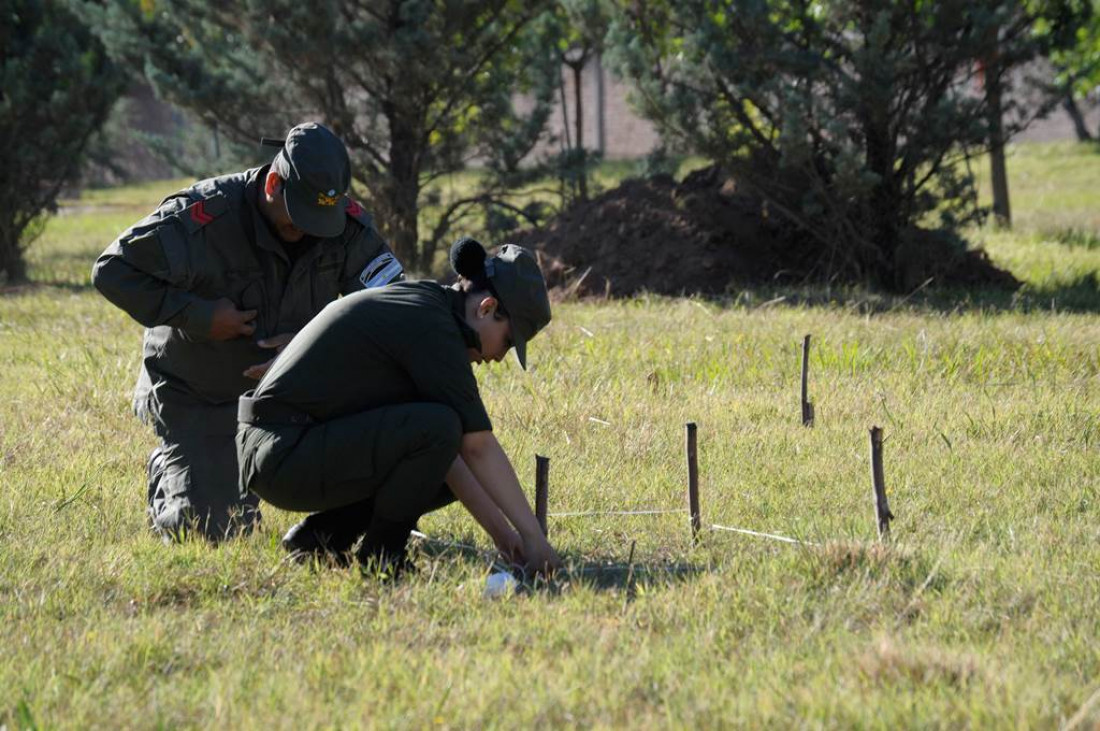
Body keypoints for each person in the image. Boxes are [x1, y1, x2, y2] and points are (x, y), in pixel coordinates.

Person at [93, 122, 404, 543]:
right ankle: (174, 471)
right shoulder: (206, 215)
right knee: (212, 532)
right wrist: (199, 315)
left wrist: (312, 343)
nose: (310, 230)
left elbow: (393, 308)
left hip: (295, 394)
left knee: (400, 420)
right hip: (201, 394)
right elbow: (113, 270)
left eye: (321, 219)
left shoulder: (338, 220)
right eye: (299, 220)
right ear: (274, 182)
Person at [236, 238, 561, 575]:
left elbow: (452, 460)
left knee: (441, 443)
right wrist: (534, 537)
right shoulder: (432, 326)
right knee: (442, 429)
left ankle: (322, 538)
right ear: (487, 308)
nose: (499, 357)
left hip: (283, 446)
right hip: (283, 452)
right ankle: (383, 559)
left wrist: (508, 540)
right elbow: (476, 446)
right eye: (508, 342)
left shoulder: (431, 309)